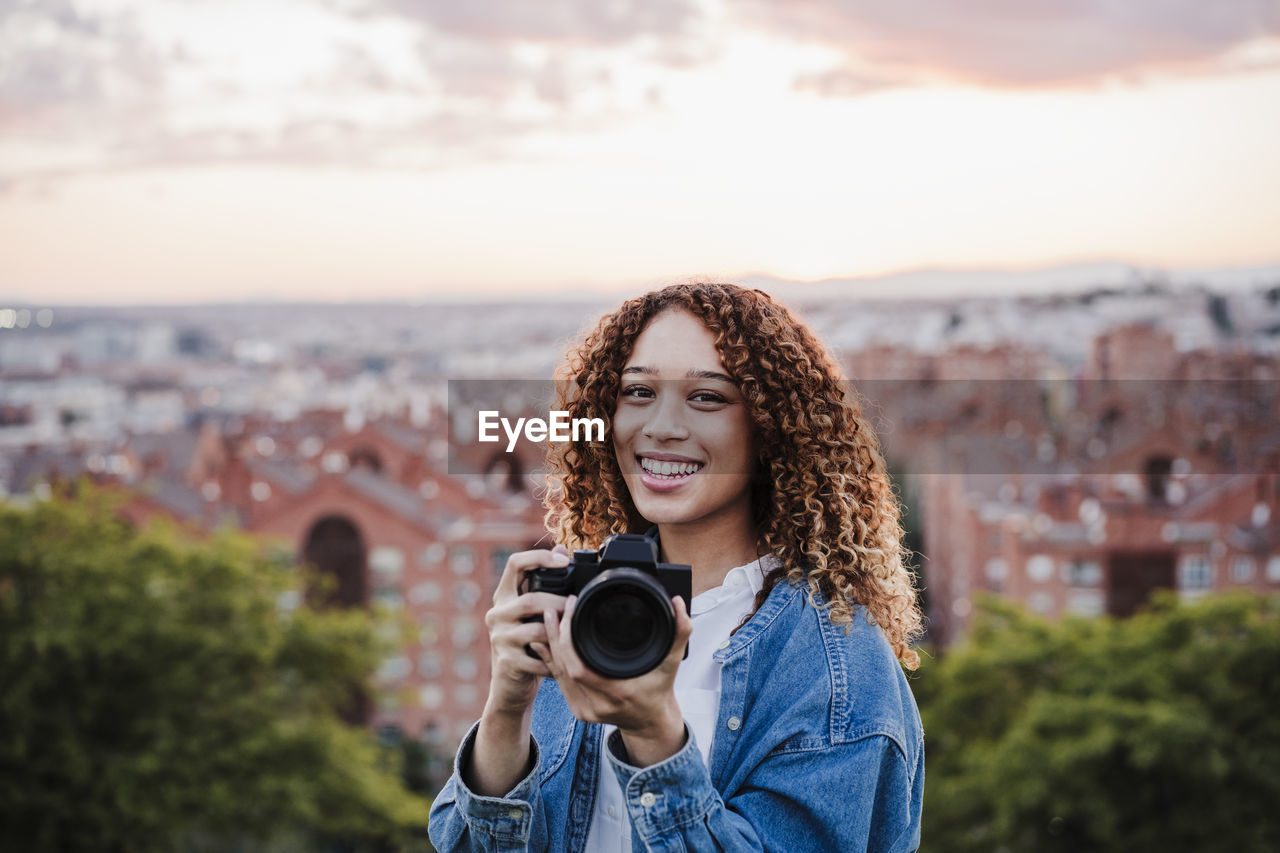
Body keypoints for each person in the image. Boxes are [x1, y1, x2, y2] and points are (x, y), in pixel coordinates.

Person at [429, 282, 925, 852]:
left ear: (770, 428)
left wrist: (655, 736)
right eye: (637, 392)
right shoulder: (582, 607)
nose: (661, 425)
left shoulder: (836, 666)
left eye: (707, 397)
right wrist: (506, 712)